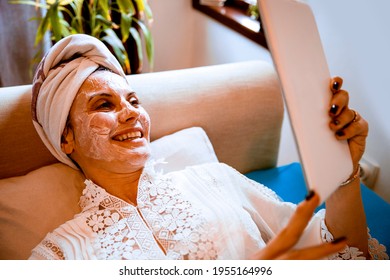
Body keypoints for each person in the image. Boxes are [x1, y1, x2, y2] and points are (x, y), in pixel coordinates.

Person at [28, 34, 387, 260]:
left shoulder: (215, 179)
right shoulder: (60, 254)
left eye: (134, 101)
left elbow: (343, 251)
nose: (130, 114)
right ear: (66, 138)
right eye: (104, 105)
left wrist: (345, 171)